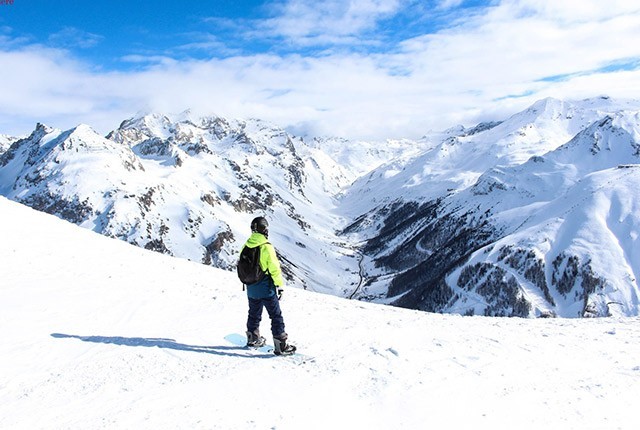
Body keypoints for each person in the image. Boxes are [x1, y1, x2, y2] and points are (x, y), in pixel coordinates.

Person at [239, 216, 296, 356]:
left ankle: (253, 338)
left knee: (253, 314)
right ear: (264, 229)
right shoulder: (265, 246)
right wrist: (279, 285)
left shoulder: (246, 245)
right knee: (275, 316)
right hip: (266, 288)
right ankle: (281, 345)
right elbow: (274, 267)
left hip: (251, 288)